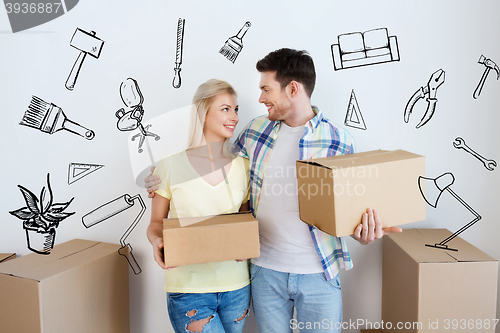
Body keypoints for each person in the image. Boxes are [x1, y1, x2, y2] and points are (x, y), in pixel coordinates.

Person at [146, 49, 402, 333]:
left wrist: (364, 232)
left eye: (266, 89)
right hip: (264, 272)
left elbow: (351, 211)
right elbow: (218, 167)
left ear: (292, 89)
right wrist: (159, 177)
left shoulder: (339, 141)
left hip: (319, 273)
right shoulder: (256, 131)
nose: (260, 98)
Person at [147, 79, 251, 333]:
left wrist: (246, 244)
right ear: (203, 113)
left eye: (236, 110)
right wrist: (157, 241)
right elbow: (156, 224)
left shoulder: (244, 167)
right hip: (188, 290)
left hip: (236, 286)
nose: (234, 117)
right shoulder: (169, 165)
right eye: (225, 109)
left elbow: (245, 219)